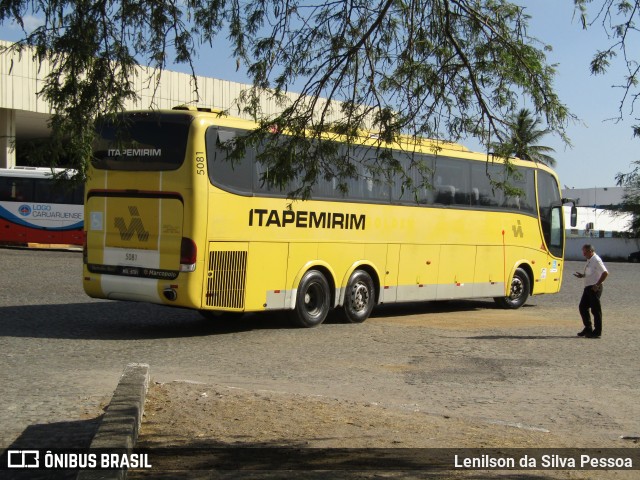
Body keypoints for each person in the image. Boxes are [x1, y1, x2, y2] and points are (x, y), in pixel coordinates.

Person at [573, 244, 609, 338]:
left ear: (590, 251)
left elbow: (605, 273)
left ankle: (597, 332)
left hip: (594, 288)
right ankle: (588, 328)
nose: (583, 254)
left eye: (585, 252)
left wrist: (597, 285)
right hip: (588, 287)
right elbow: (591, 273)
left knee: (595, 310)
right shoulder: (590, 259)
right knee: (583, 307)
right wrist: (583, 275)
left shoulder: (596, 260)